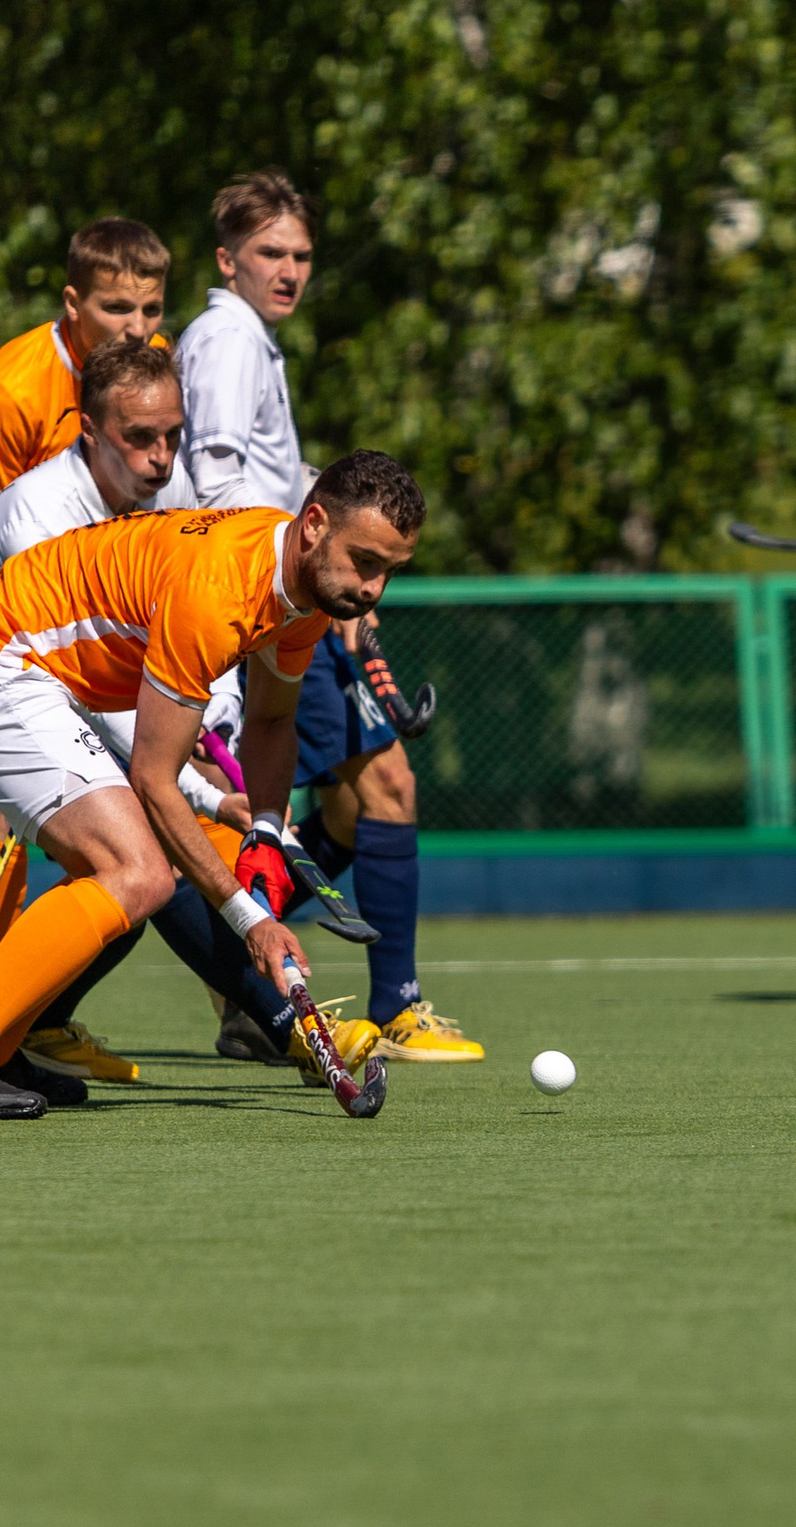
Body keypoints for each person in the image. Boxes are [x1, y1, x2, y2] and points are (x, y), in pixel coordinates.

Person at [0, 451, 425, 1119]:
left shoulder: (305, 589)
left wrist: (261, 828)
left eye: (389, 572)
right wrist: (250, 918)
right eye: (365, 562)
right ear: (314, 523)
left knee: (136, 866)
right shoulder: (220, 589)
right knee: (139, 869)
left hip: (33, 675)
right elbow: (153, 777)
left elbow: (272, 718)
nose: (373, 589)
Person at [0, 339, 381, 1085]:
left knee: (138, 864)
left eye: (173, 435)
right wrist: (204, 790)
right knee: (146, 849)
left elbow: (209, 639)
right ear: (88, 430)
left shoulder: (168, 502)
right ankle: (279, 1024)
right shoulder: (42, 513)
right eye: (139, 438)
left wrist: (235, 772)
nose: (161, 456)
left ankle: (14, 1036)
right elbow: (91, 675)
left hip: (73, 679)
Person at [177, 170, 479, 1062]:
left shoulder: (252, 339)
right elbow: (221, 486)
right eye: (271, 252)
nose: (290, 270)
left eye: (302, 254)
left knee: (350, 806)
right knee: (383, 787)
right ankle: (389, 1003)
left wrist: (344, 595)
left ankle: (242, 972)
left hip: (295, 600)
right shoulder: (228, 339)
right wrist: (300, 587)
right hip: (268, 606)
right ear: (227, 258)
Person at [0, 218, 171, 1009]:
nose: (139, 330)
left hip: (75, 606)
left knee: (113, 819)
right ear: (71, 301)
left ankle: (28, 1022)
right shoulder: (8, 392)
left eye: (152, 309)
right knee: (6, 806)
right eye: (118, 308)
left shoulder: (144, 370)